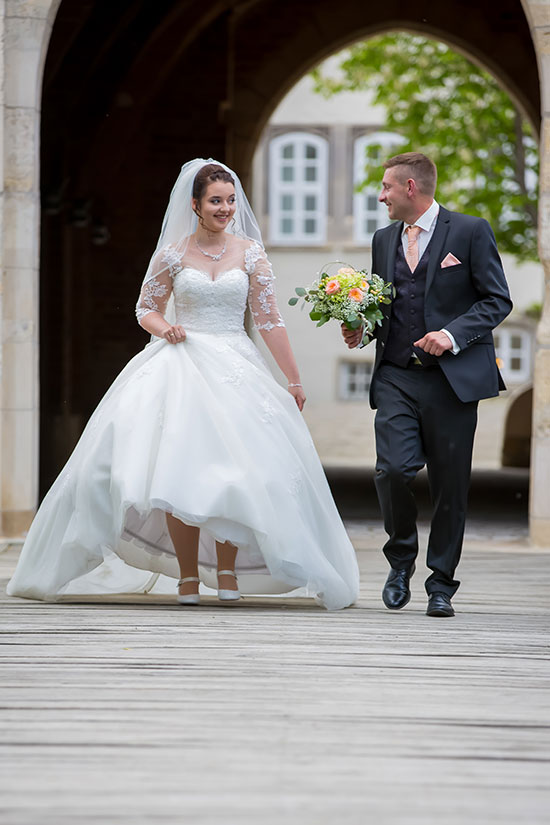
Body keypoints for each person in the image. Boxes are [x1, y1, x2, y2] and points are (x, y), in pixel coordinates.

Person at [8, 159, 359, 610]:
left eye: (231, 200)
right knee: (178, 470)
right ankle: (189, 577)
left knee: (240, 470)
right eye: (216, 200)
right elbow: (145, 308)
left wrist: (293, 378)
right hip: (181, 366)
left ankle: (228, 571)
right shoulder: (172, 254)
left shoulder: (251, 253)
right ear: (194, 204)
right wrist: (165, 328)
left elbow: (270, 320)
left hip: (235, 366)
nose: (225, 208)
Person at [343, 152, 512, 617]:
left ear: (411, 188)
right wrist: (361, 327)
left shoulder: (470, 231)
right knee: (392, 470)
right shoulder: (383, 240)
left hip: (451, 380)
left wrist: (451, 334)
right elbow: (385, 306)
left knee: (450, 485)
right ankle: (400, 563)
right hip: (397, 373)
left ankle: (441, 583)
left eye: (386, 188)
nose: (381, 197)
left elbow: (497, 300)